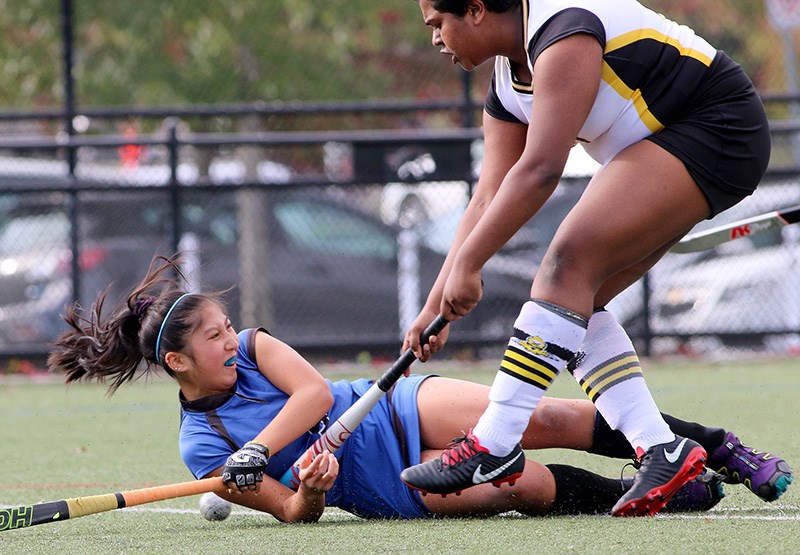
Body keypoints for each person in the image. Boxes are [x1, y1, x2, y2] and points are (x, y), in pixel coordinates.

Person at [46, 256, 790, 522]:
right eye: (213, 337)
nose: (229, 340)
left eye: (226, 327)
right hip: (385, 486)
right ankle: (647, 490)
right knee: (524, 488)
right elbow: (291, 515)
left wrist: (264, 448)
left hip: (393, 407)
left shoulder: (258, 349)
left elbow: (309, 398)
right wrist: (305, 485)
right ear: (179, 363)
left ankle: (719, 448)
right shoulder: (200, 443)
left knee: (552, 416)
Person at [399, 0, 779, 516]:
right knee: (574, 302)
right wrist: (437, 300)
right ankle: (660, 448)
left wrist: (470, 268)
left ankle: (493, 443)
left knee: (563, 268)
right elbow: (487, 196)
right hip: (668, 142)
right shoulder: (506, 85)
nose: (436, 39)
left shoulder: (562, 29)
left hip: (716, 126)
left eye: (439, 24)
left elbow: (540, 170)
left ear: (477, 9)